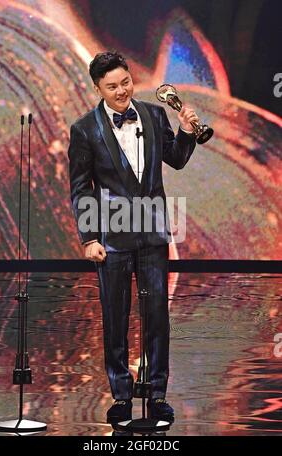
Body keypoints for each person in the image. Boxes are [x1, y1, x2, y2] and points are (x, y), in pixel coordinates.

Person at [68, 51, 198, 424]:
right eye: (112, 86)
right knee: (115, 316)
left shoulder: (154, 115)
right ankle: (121, 396)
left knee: (157, 315)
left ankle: (157, 394)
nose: (122, 90)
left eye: (125, 82)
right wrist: (89, 237)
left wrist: (186, 132)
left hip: (154, 233)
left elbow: (175, 158)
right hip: (111, 238)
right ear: (97, 88)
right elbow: (81, 189)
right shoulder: (84, 130)